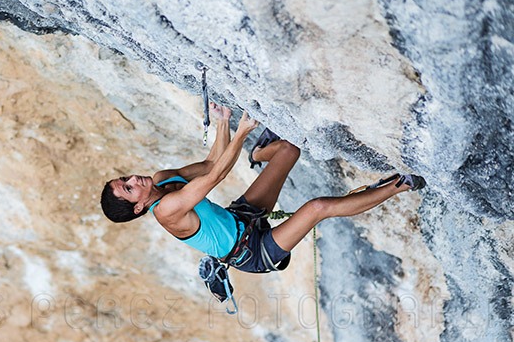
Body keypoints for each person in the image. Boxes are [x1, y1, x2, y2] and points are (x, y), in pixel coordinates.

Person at [100, 102, 426, 276]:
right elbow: (215, 179)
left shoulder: (162, 178)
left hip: (241, 218)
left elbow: (211, 164)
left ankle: (259, 154)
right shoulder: (167, 211)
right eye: (129, 189)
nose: (134, 180)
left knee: (288, 151)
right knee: (316, 208)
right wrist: (241, 133)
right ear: (139, 208)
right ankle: (400, 185)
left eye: (125, 179)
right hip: (253, 252)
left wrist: (224, 122)